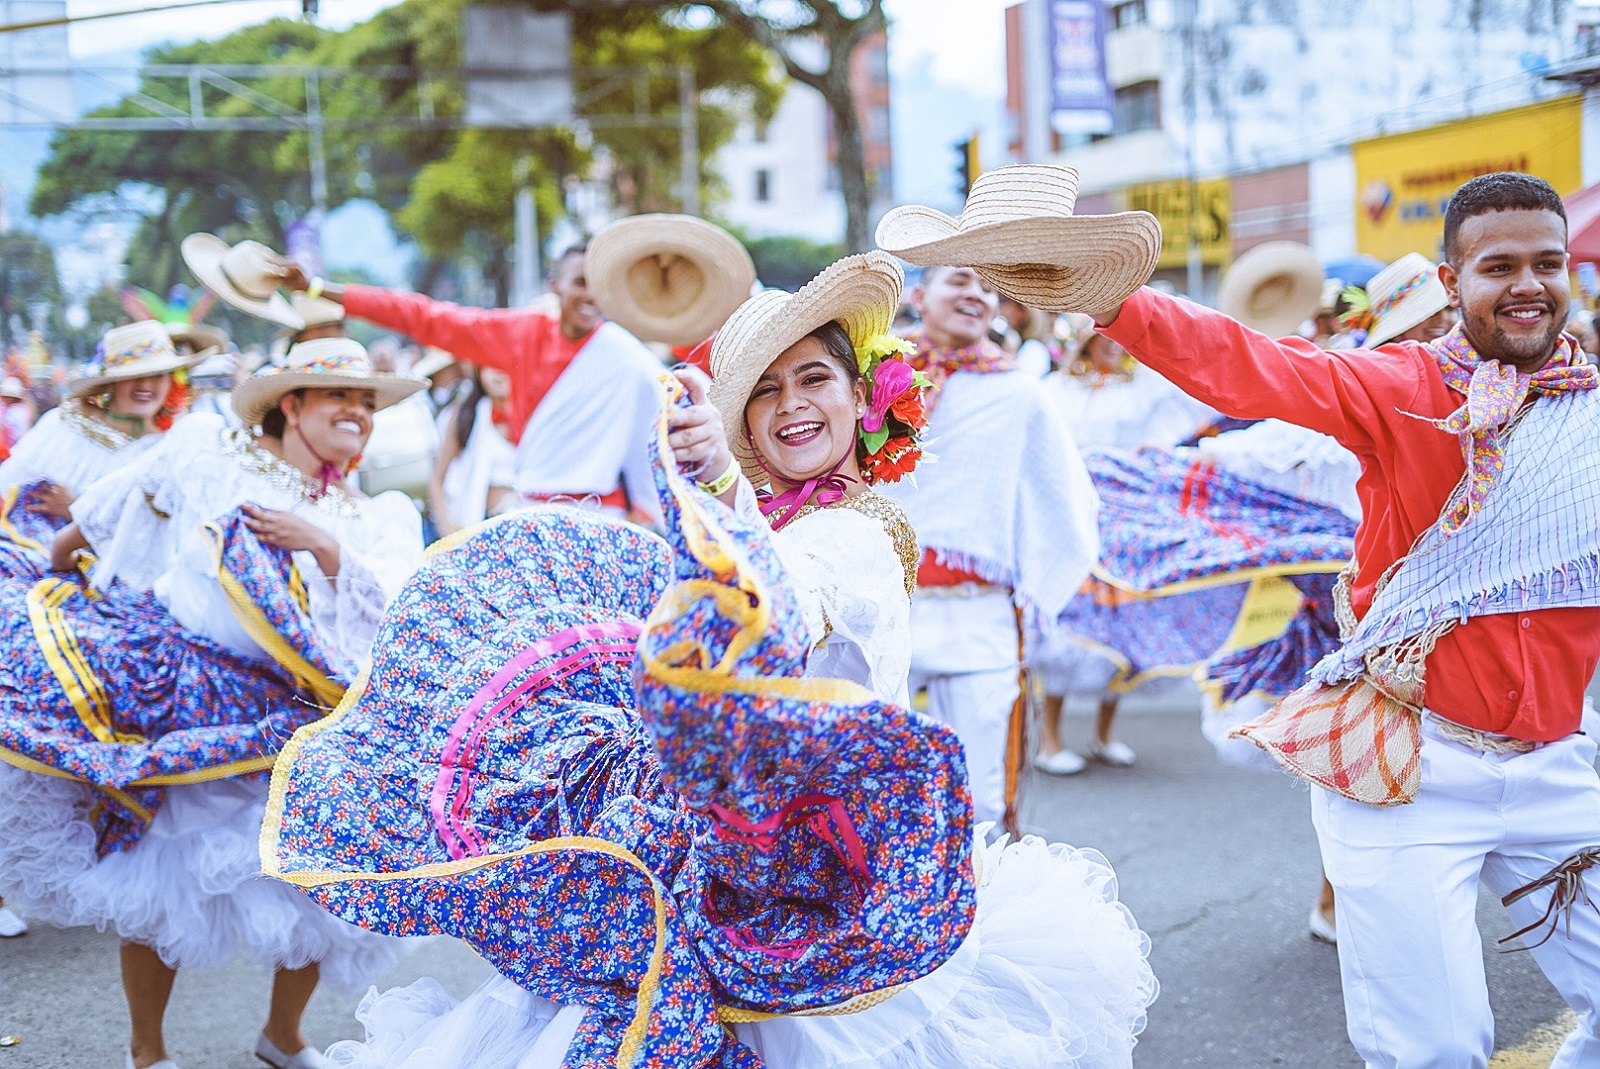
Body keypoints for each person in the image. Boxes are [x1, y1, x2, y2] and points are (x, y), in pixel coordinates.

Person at [262, 253, 1156, 1069]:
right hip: (721, 842)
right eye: (765, 391)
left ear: (862, 398)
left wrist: (721, 487)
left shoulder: (852, 533)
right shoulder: (785, 521)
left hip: (804, 877)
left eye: (815, 378)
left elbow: (771, 606)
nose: (792, 403)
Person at [1058, 167, 1600, 1068]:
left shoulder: (1592, 415)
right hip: (1410, 768)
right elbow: (1254, 365)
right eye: (1498, 266)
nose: (1529, 285)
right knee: (1430, 1050)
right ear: (1451, 281)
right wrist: (1113, 298)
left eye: (1548, 262)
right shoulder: (1404, 386)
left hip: (1558, 763)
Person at [0, 337, 428, 1069]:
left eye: (368, 402)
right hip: (191, 699)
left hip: (301, 723)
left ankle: (282, 1035)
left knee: (319, 884)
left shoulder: (381, 515)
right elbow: (106, 512)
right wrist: (55, 575)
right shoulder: (210, 451)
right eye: (341, 397)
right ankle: (148, 1051)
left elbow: (397, 610)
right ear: (291, 405)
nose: (358, 412)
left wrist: (322, 544)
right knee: (161, 879)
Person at [877, 262, 1100, 828]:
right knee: (871, 788)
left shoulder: (1020, 394)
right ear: (921, 296)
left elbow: (1063, 497)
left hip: (978, 612)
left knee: (981, 800)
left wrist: (1037, 585)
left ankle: (985, 908)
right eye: (960, 281)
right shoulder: (874, 379)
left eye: (989, 288)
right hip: (880, 605)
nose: (976, 294)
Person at [275, 245, 665, 525]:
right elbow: (424, 317)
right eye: (580, 282)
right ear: (555, 285)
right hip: (531, 518)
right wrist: (318, 289)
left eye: (599, 284)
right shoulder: (521, 334)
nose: (591, 295)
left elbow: (657, 441)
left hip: (609, 521)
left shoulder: (627, 358)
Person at [1030, 321, 1217, 774]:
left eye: (1120, 340)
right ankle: (1050, 741)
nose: (1115, 348)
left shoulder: (1140, 389)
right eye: (1106, 340)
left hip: (1122, 519)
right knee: (1070, 619)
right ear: (1086, 342)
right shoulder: (1055, 389)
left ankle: (1104, 733)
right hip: (1071, 516)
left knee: (1118, 620)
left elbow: (1188, 404)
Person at [0, 321, 200, 576]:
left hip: (115, 586)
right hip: (28, 564)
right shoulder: (63, 425)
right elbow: (7, 487)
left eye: (158, 375)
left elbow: (165, 542)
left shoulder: (172, 448)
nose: (146, 385)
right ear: (112, 382)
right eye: (134, 375)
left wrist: (76, 509)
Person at [427, 365, 516, 536]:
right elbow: (437, 480)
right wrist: (448, 532)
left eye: (503, 364)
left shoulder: (536, 416)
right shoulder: (466, 417)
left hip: (527, 528)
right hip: (476, 531)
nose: (497, 373)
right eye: (488, 366)